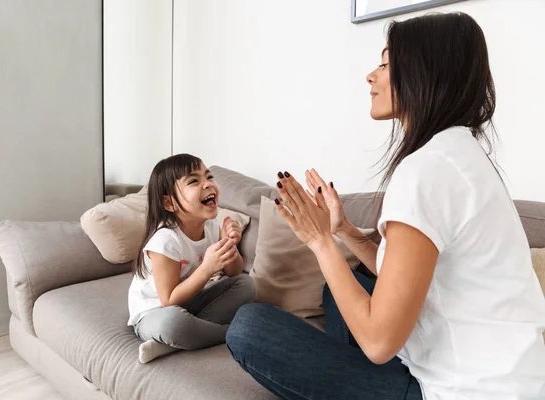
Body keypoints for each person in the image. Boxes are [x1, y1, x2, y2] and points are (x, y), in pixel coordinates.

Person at [226, 12, 545, 399]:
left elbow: (378, 343)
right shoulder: (460, 154)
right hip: (514, 376)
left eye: (386, 63)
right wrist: (342, 230)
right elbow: (409, 275)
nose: (371, 75)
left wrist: (319, 242)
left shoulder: (425, 170)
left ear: (423, 74)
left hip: (462, 389)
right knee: (336, 293)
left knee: (249, 327)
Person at [128, 154, 256, 364]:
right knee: (173, 324)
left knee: (246, 284)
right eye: (194, 181)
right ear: (169, 203)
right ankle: (229, 333)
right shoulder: (165, 241)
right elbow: (168, 301)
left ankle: (176, 343)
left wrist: (229, 245)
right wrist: (206, 269)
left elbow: (234, 271)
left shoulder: (211, 225)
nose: (208, 184)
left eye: (209, 177)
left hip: (191, 301)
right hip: (155, 313)